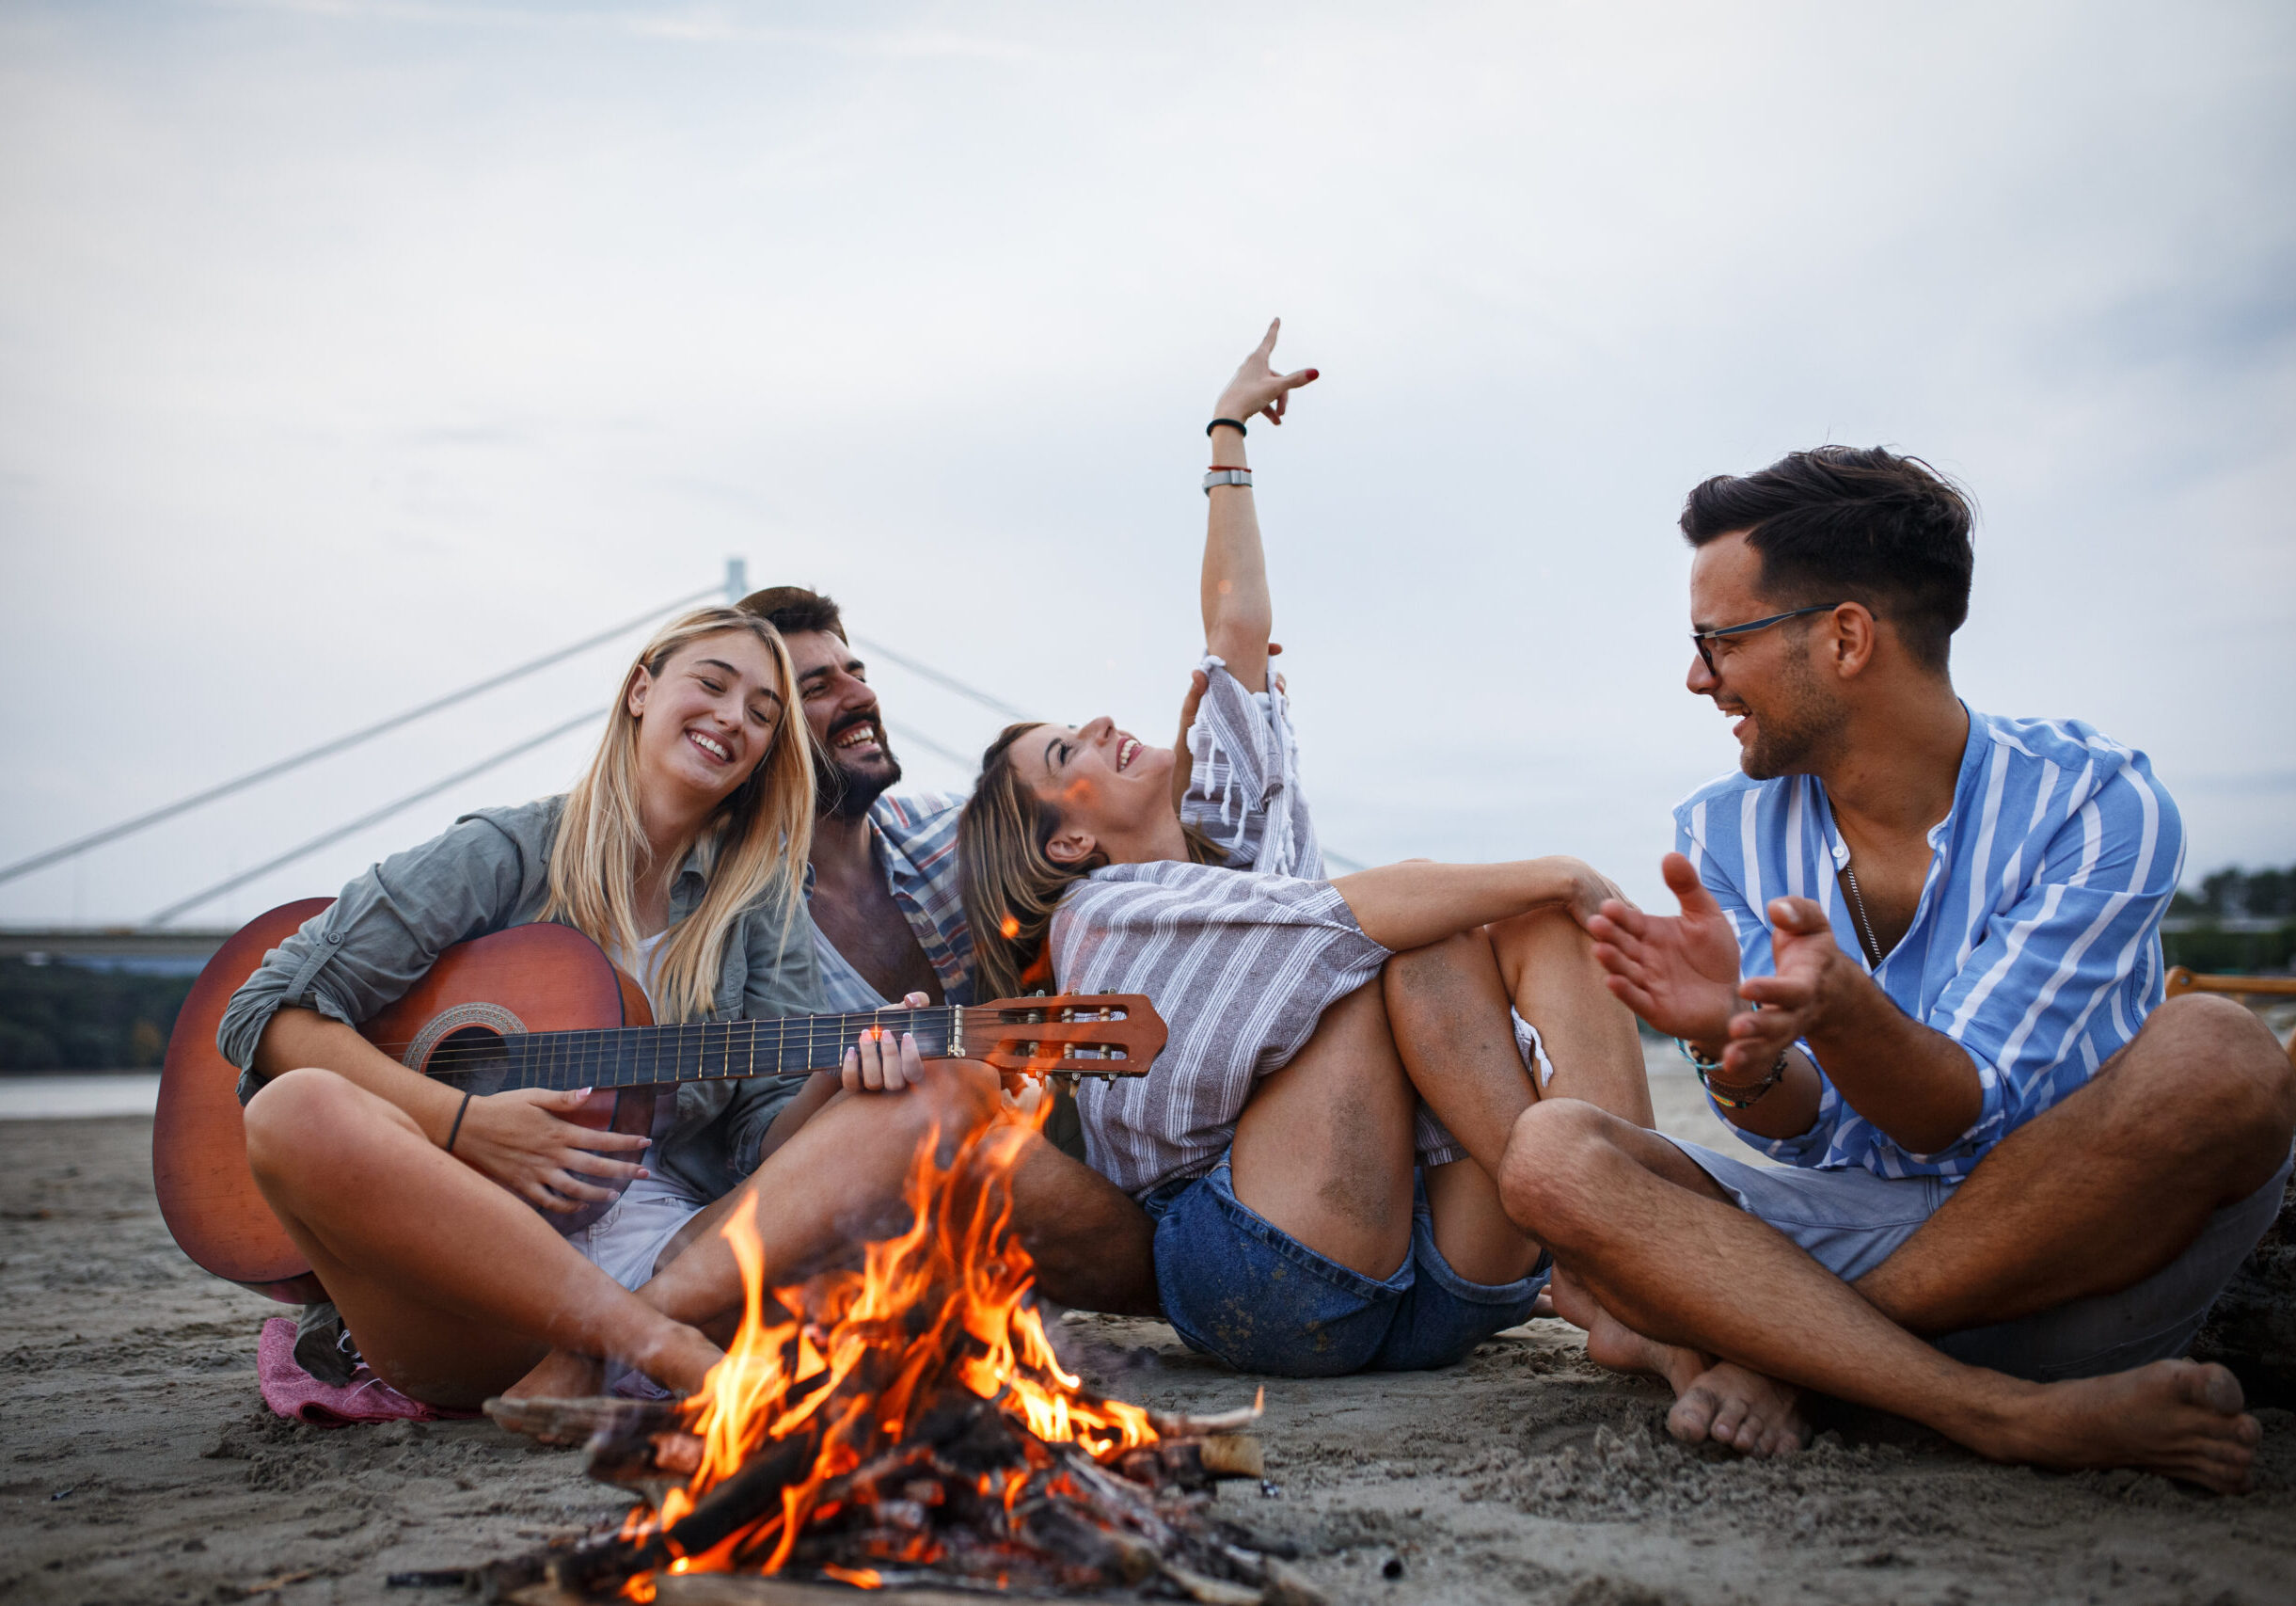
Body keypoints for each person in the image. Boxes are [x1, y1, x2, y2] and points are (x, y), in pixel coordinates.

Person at [1497, 446, 2296, 1492]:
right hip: (1845, 1224)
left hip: (2069, 1247)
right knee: (1550, 1155)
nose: (1697, 676)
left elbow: (1957, 1119)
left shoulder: (2093, 805)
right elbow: (1807, 1127)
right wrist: (1724, 1043)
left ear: (1843, 637)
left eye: (1716, 640)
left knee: (2221, 1056)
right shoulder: (1724, 829)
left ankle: (1769, 1358)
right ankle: (1995, 1414)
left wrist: (1841, 1012)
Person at [960, 320, 1653, 1378]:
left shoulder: (1232, 841)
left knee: (1509, 931)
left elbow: (1235, 627)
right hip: (1268, 1273)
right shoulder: (1096, 918)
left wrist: (1227, 431)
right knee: (1401, 931)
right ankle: (1606, 1252)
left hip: (1440, 1273)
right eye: (1065, 749)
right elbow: (1346, 918)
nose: (1099, 721)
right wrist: (1566, 867)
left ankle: (1635, 1262)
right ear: (1067, 836)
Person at [223, 607, 833, 1405]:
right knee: (290, 1111)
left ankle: (624, 1344)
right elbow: (262, 1011)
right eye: (713, 684)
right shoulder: (507, 852)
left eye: (762, 714)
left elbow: (764, 1142)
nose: (732, 718)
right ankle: (654, 1350)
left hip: (683, 1262)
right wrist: (462, 1124)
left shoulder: (762, 904)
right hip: (473, 1290)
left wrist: (833, 1087)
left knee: (930, 1099)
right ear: (640, 690)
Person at [730, 583, 1164, 1315]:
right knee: (937, 1106)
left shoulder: (955, 840)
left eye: (857, 672)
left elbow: (1117, 818)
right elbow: (756, 1160)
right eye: (819, 686)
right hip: (859, 1246)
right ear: (763, 730)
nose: (859, 695)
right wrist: (835, 1089)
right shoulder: (737, 919)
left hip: (1026, 1221)